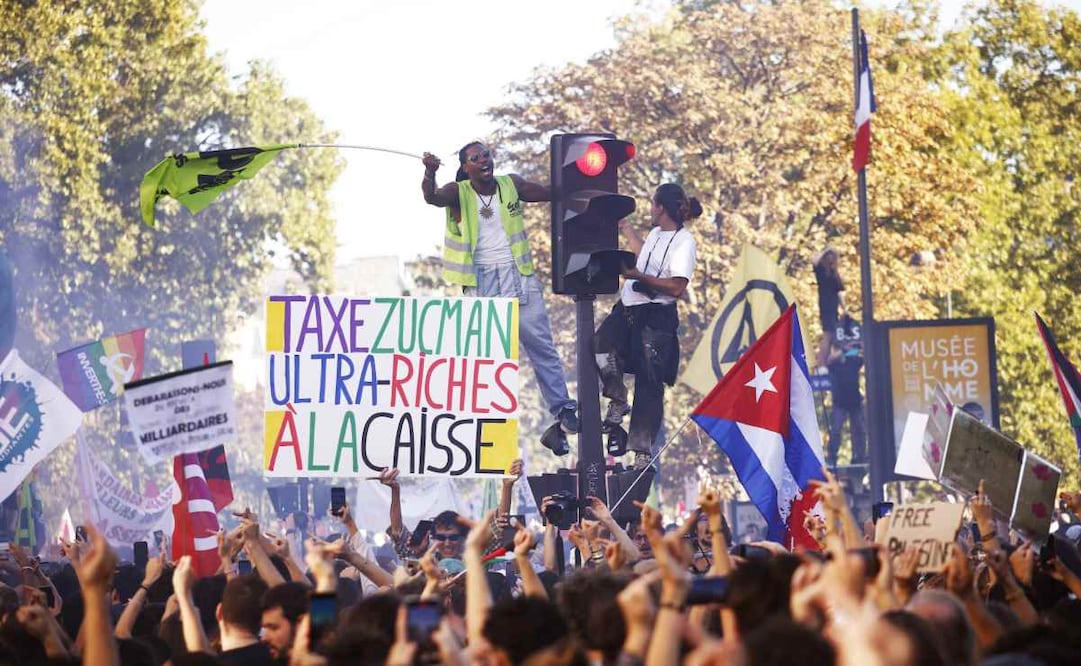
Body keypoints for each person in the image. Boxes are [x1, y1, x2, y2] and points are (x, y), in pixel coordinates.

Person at [421, 143, 579, 439]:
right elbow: (431, 197)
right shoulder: (459, 192)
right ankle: (482, 423)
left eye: (486, 155)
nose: (484, 160)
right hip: (482, 284)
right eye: (475, 158)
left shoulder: (511, 184)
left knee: (542, 346)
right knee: (485, 358)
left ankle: (563, 409)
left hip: (519, 277)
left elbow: (548, 193)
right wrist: (430, 172)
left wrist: (580, 182)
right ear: (466, 168)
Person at [594, 183, 701, 470]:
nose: (651, 210)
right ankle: (617, 399)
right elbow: (645, 259)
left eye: (653, 204)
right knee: (600, 347)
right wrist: (626, 230)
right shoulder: (655, 233)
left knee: (650, 382)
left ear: (661, 208)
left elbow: (677, 286)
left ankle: (642, 451)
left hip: (657, 318)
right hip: (628, 309)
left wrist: (638, 275)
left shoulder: (685, 242)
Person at [826, 311, 867, 466]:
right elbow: (829, 360)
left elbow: (865, 354)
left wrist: (857, 346)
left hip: (854, 397)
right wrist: (844, 349)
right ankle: (832, 457)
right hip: (840, 399)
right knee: (836, 430)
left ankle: (860, 456)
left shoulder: (855, 360)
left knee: (860, 430)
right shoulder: (836, 361)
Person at [812, 246, 844, 368]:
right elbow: (814, 261)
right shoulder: (821, 270)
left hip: (833, 307)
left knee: (833, 335)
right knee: (828, 334)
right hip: (826, 306)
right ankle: (821, 364)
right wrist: (825, 251)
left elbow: (840, 292)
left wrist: (844, 309)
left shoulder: (834, 274)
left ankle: (828, 362)